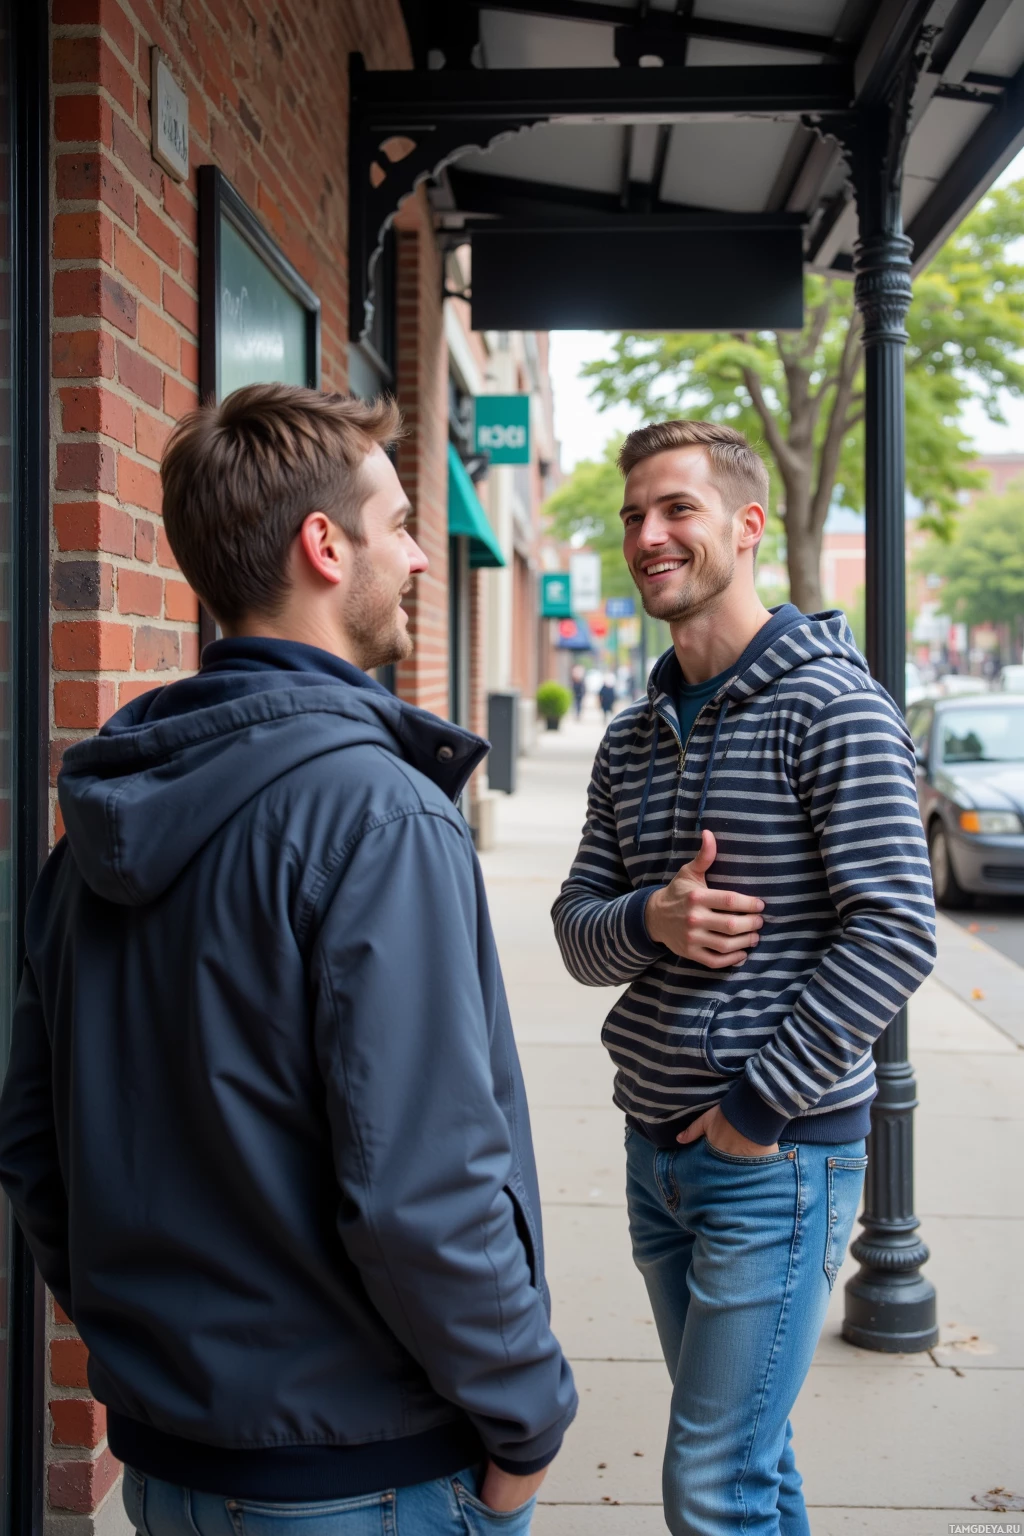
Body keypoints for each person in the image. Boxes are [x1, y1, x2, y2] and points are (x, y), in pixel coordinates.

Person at [0, 385, 576, 1536]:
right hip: (363, 1474)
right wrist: (527, 1420)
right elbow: (423, 1189)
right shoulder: (382, 818)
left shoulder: (98, 824)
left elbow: (34, 1144)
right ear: (325, 546)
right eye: (401, 524)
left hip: (170, 1465)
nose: (420, 556)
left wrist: (160, 1356)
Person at [552, 420, 936, 1535]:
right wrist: (652, 919)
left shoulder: (832, 708)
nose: (648, 535)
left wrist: (756, 1111)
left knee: (711, 1484)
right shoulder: (629, 737)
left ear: (746, 525)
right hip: (654, 1154)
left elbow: (897, 930)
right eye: (633, 515)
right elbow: (578, 934)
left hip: (774, 1157)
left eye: (677, 508)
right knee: (748, 1469)